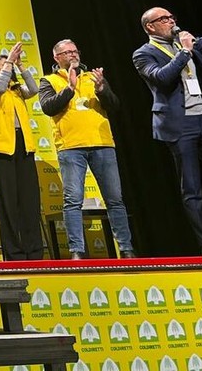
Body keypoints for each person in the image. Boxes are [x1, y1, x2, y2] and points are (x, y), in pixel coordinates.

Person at [133, 5, 202, 256]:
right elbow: (161, 77)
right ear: (150, 26)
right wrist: (184, 52)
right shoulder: (143, 54)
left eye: (172, 17)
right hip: (179, 125)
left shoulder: (184, 41)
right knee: (192, 190)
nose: (171, 21)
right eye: (164, 19)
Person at [38, 38, 135, 259]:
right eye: (67, 52)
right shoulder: (49, 80)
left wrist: (102, 89)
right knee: (73, 201)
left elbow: (114, 105)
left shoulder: (93, 77)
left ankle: (126, 249)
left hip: (102, 144)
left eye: (75, 51)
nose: (73, 54)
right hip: (71, 147)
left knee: (115, 199)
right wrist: (70, 88)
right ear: (56, 57)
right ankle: (77, 251)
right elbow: (48, 107)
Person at [0, 43, 43, 261]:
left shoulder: (16, 89)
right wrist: (9, 63)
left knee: (29, 201)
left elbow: (34, 89)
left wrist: (21, 66)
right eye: (4, 64)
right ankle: (14, 254)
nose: (9, 65)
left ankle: (34, 252)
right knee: (8, 204)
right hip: (2, 150)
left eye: (10, 63)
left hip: (24, 146)